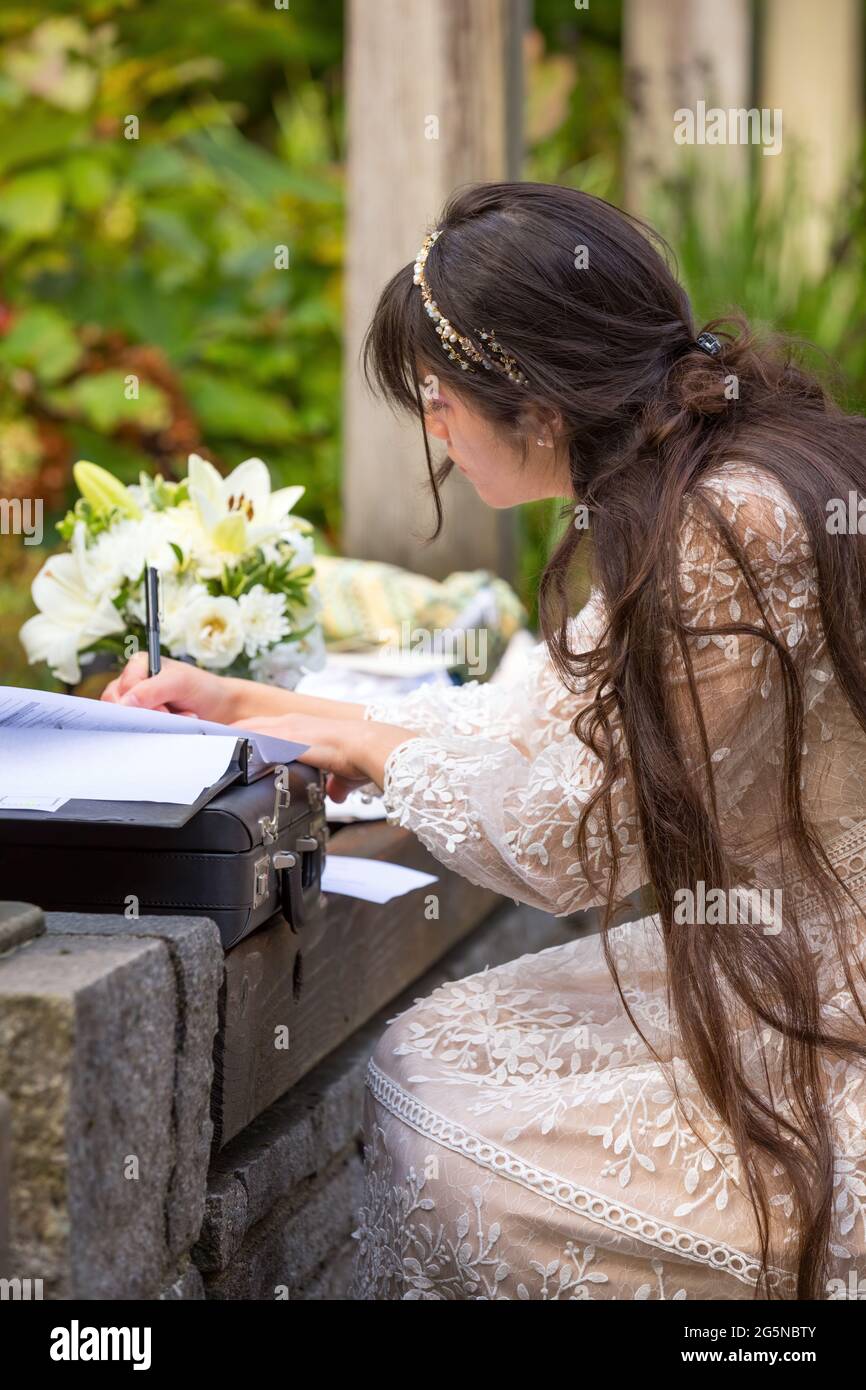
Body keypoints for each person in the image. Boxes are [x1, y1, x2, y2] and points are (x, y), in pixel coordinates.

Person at [103, 182, 866, 1302]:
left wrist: (371, 754)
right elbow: (538, 724)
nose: (436, 436)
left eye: (433, 398)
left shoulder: (716, 530)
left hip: (824, 985)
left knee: (440, 1107)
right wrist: (250, 706)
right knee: (434, 1050)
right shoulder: (721, 476)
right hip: (794, 938)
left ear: (534, 401)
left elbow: (572, 838)